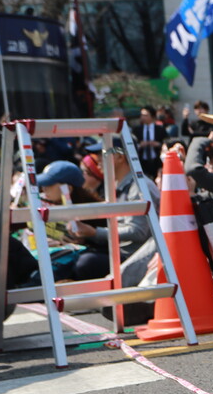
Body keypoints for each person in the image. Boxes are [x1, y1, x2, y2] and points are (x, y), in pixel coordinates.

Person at [68, 143, 160, 280]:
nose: (97, 159)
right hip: (120, 251)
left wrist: (95, 233)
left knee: (86, 263)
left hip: (133, 257)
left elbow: (138, 231)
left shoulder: (139, 187)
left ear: (119, 157)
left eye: (101, 154)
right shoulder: (119, 185)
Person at [132, 107, 163, 180]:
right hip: (142, 161)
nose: (143, 117)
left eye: (146, 115)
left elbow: (166, 142)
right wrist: (140, 145)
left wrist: (157, 144)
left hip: (156, 161)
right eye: (142, 115)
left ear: (152, 116)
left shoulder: (160, 129)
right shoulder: (137, 130)